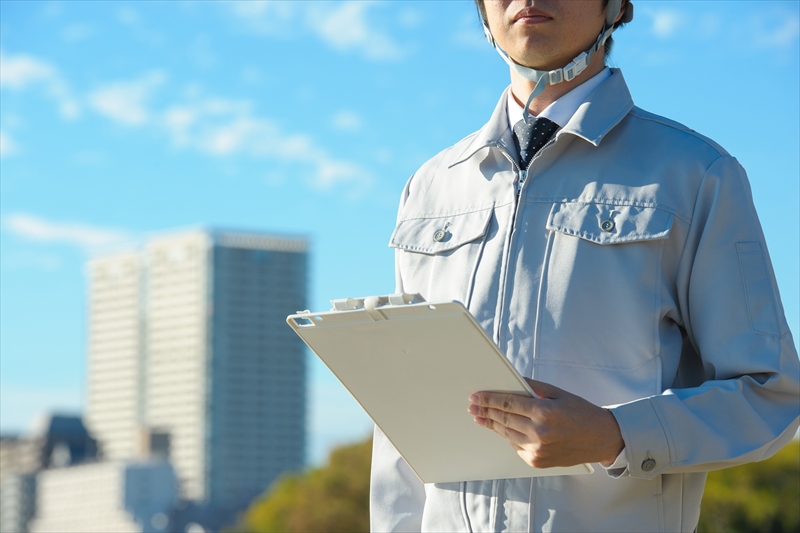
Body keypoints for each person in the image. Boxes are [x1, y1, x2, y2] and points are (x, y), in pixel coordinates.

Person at [370, 0, 800, 531]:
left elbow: (770, 396)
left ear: (615, 6)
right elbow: (400, 413)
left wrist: (614, 434)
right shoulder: (430, 186)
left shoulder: (698, 174)